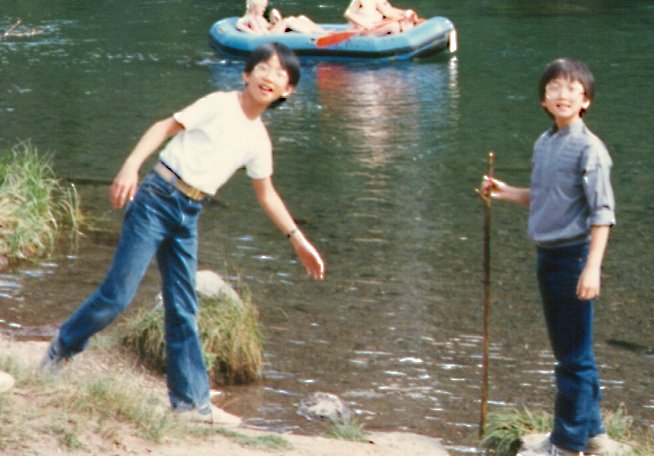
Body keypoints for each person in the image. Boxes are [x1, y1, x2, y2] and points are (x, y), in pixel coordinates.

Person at [40, 42, 325, 425]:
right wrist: (130, 167)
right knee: (118, 295)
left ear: (287, 91)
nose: (269, 77)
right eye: (263, 68)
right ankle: (62, 347)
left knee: (183, 308)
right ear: (246, 74)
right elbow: (164, 126)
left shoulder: (259, 141)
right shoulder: (220, 104)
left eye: (280, 74)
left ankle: (191, 405)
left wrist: (298, 239)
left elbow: (266, 193)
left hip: (189, 213)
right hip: (157, 197)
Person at [483, 58, 628, 456]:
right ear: (544, 100)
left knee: (571, 357)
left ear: (586, 101)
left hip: (574, 256)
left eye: (571, 89)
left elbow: (602, 214)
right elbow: (546, 197)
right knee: (572, 349)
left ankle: (565, 444)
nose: (561, 95)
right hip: (547, 255)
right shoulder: (545, 143)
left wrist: (592, 267)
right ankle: (594, 433)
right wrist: (505, 192)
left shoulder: (590, 148)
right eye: (553, 89)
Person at [236, 0, 325, 35]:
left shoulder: (259, 17)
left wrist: (273, 21)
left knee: (301, 18)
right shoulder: (249, 18)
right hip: (268, 37)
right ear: (254, 8)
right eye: (262, 7)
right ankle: (311, 35)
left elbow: (267, 26)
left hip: (271, 32)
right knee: (286, 21)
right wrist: (252, 32)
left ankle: (322, 31)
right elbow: (239, 24)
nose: (264, 9)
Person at [344, 0, 423, 36]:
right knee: (394, 26)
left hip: (375, 28)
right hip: (363, 31)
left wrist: (405, 14)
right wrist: (365, 24)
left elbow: (388, 12)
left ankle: (409, 38)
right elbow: (348, 13)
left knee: (403, 23)